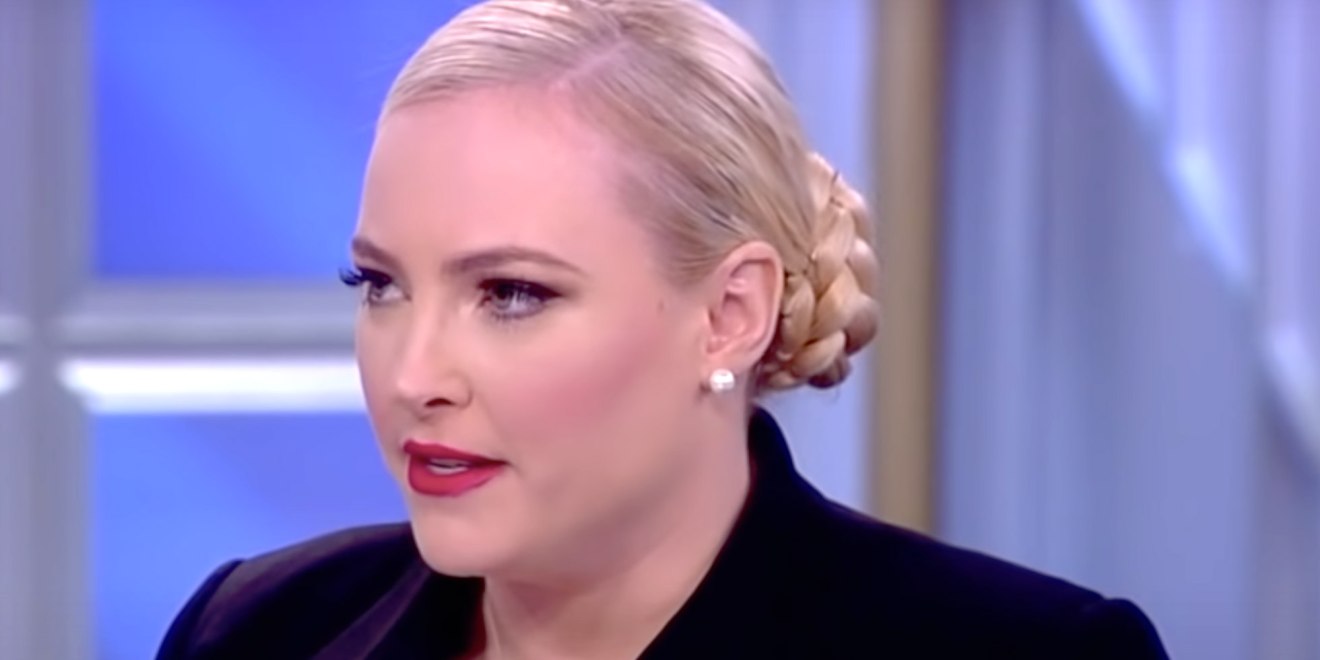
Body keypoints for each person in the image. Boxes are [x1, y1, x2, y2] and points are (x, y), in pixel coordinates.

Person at [156, 0, 1169, 657]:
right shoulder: (253, 631)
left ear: (729, 315)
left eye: (511, 294)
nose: (413, 374)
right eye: (379, 285)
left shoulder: (1030, 652)